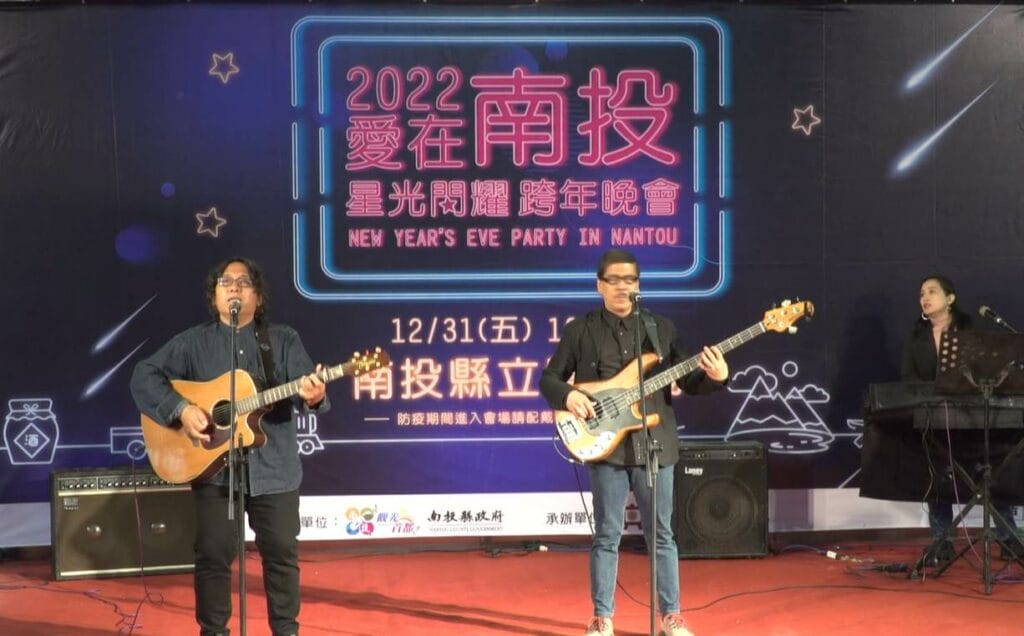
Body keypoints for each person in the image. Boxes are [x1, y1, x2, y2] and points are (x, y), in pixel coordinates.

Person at [131, 257, 328, 636]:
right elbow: (143, 376)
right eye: (226, 281)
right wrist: (182, 409)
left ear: (258, 296)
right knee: (212, 556)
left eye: (244, 282)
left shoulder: (283, 340)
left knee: (281, 555)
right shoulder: (193, 343)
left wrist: (314, 395)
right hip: (215, 471)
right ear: (214, 295)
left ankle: (286, 630)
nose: (234, 287)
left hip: (275, 470)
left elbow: (307, 391)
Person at [539, 249, 729, 636]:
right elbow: (549, 380)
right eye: (614, 280)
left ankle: (671, 616)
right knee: (607, 534)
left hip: (654, 444)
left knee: (662, 535)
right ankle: (602, 618)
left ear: (638, 285)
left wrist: (717, 376)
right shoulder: (581, 330)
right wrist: (569, 396)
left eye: (630, 280)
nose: (623, 287)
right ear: (600, 285)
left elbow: (689, 380)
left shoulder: (660, 329)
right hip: (604, 445)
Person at [900, 274, 1017, 564]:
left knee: (992, 473)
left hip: (972, 415)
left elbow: (987, 370)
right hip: (935, 418)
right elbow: (909, 379)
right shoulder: (916, 338)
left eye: (932, 291)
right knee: (937, 474)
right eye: (921, 294)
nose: (925, 298)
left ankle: (1009, 538)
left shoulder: (970, 331)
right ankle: (942, 541)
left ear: (950, 298)